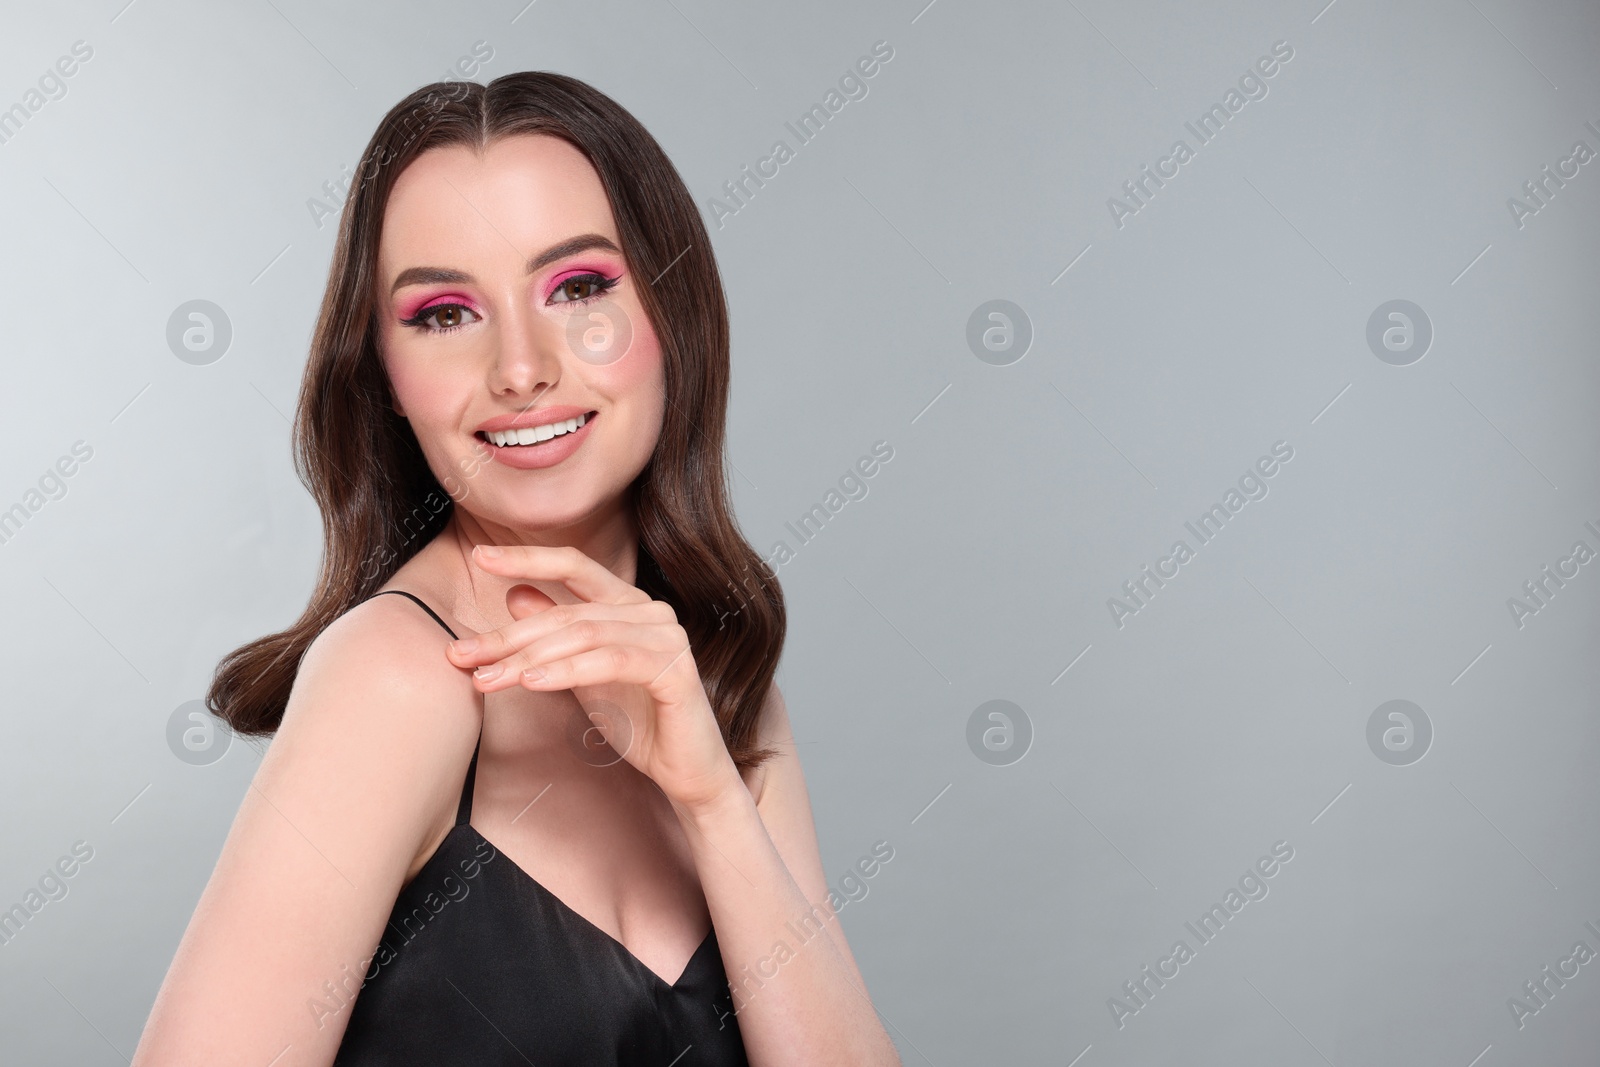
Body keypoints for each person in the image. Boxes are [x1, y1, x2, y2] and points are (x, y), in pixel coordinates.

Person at [132, 71, 901, 1066]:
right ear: (387, 379)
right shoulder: (395, 679)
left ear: (673, 316)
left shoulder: (719, 681)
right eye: (445, 312)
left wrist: (713, 798)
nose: (521, 367)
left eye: (579, 289)